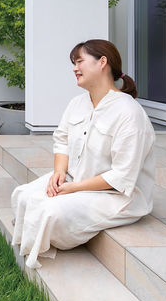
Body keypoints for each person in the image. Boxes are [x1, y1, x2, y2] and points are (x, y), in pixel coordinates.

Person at [9, 38, 156, 269]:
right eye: (73, 63)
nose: (74, 68)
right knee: (23, 195)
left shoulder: (129, 113)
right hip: (74, 179)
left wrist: (73, 189)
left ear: (102, 62)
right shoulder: (77, 103)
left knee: (49, 210)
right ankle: (25, 247)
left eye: (79, 61)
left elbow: (121, 177)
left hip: (116, 196)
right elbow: (62, 139)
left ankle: (35, 255)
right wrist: (59, 172)